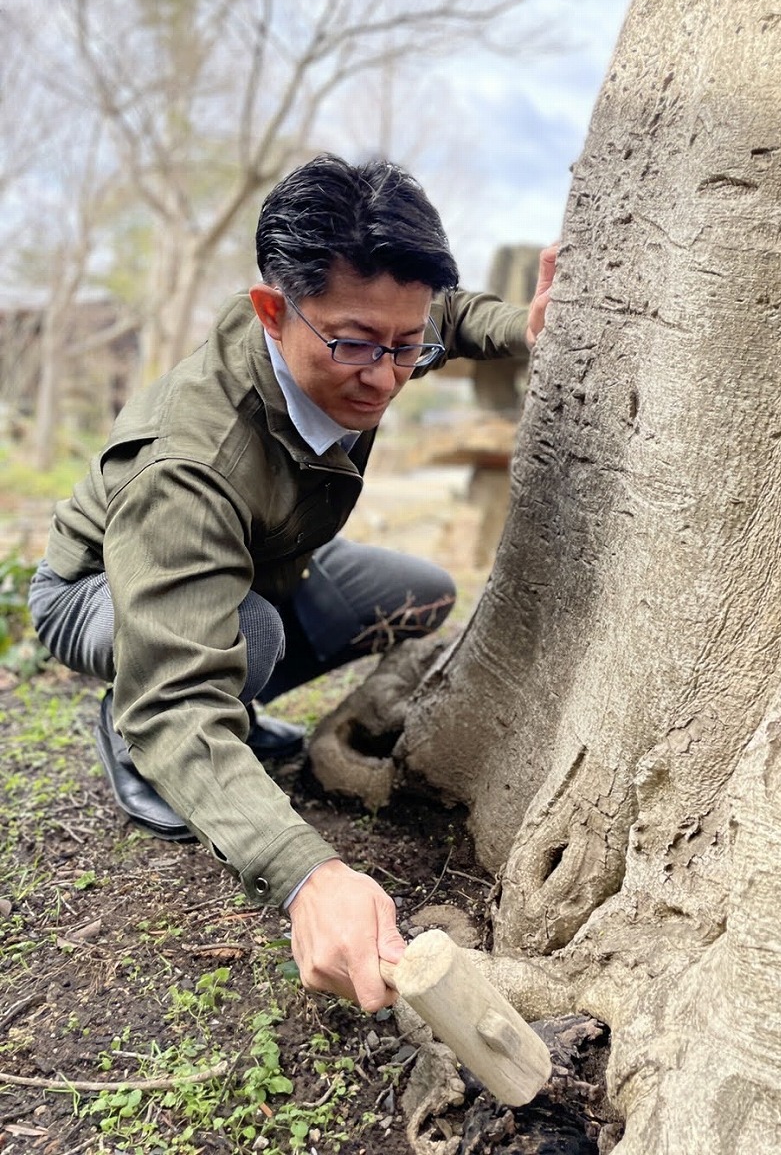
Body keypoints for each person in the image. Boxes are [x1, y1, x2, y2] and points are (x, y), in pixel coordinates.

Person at [29, 153, 555, 1013]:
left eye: (404, 344)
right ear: (273, 312)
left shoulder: (366, 330)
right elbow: (180, 700)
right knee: (236, 645)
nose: (384, 376)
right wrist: (309, 875)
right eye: (355, 344)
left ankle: (225, 673)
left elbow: (451, 317)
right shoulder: (189, 466)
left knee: (417, 591)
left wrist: (521, 328)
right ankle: (136, 730)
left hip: (268, 557)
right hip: (98, 588)